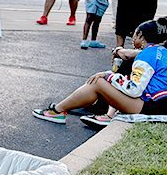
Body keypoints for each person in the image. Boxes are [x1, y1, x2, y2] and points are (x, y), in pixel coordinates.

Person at [32, 18, 167, 127]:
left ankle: (57, 111)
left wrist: (109, 76)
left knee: (98, 82)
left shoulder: (145, 56)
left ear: (141, 36)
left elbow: (134, 89)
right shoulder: (161, 52)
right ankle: (61, 110)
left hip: (152, 107)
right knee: (101, 82)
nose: (132, 39)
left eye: (134, 34)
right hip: (158, 104)